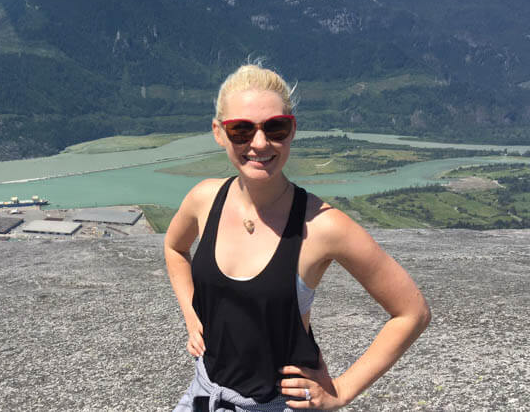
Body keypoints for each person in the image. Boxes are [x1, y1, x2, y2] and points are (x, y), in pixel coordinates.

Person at [165, 63, 431, 411]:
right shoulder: (205, 198)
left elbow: (412, 312)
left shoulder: (322, 226)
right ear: (218, 132)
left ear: (292, 130)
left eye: (276, 128)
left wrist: (340, 391)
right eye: (241, 130)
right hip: (204, 394)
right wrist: (191, 313)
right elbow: (174, 247)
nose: (259, 143)